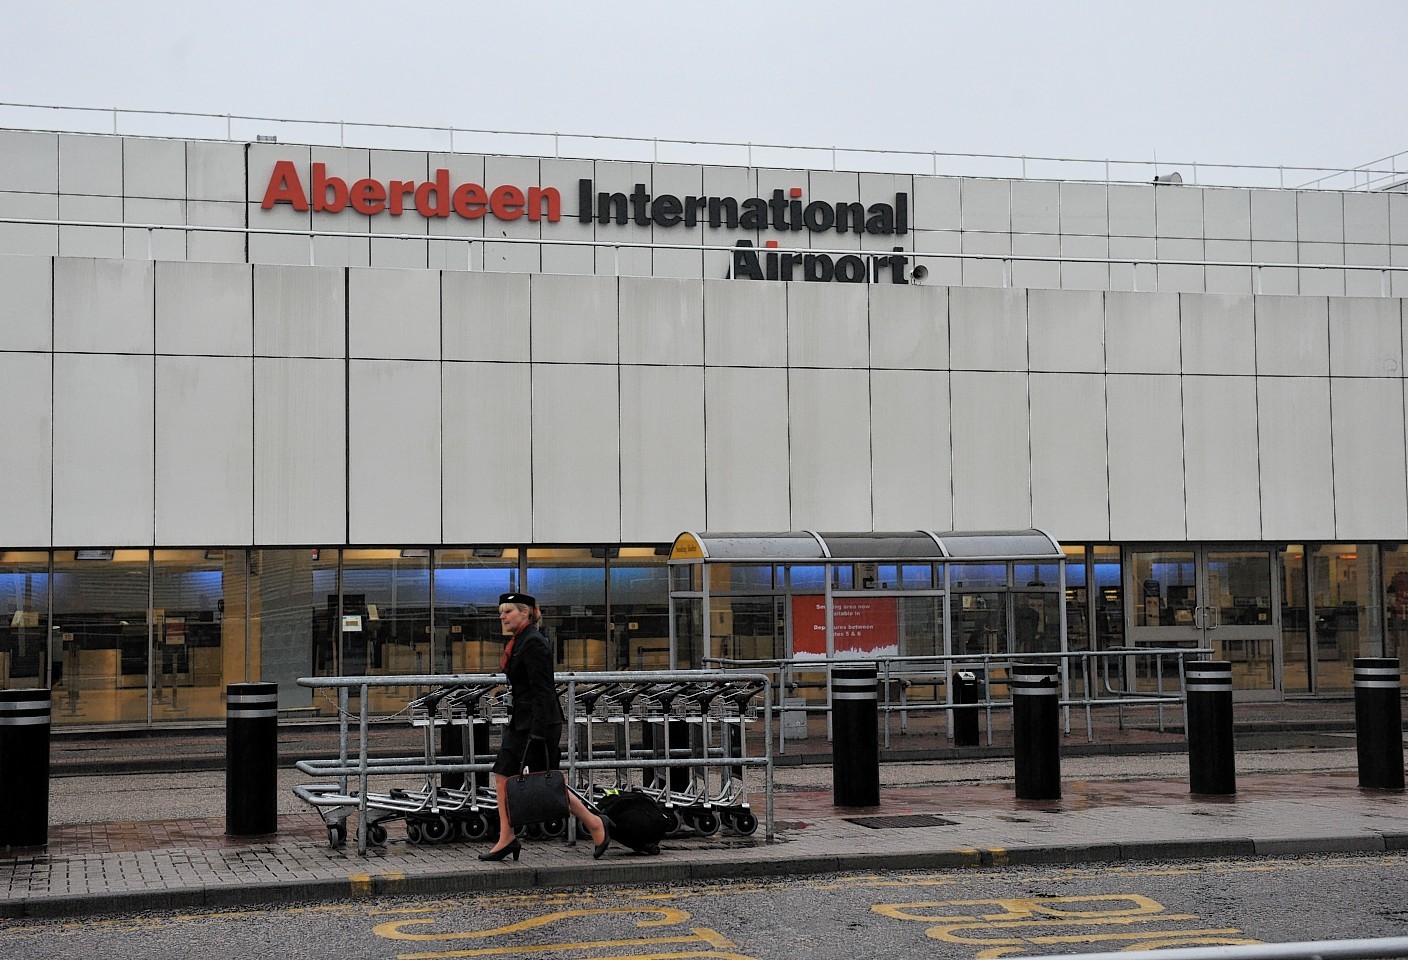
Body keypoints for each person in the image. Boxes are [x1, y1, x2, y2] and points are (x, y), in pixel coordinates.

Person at [479, 592, 611, 862]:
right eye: (501, 612)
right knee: (503, 775)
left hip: (538, 725)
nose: (502, 616)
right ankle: (507, 837)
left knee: (546, 781)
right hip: (523, 722)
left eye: (508, 611)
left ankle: (595, 823)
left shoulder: (533, 643)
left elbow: (542, 691)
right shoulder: (519, 642)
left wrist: (537, 733)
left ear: (526, 613)